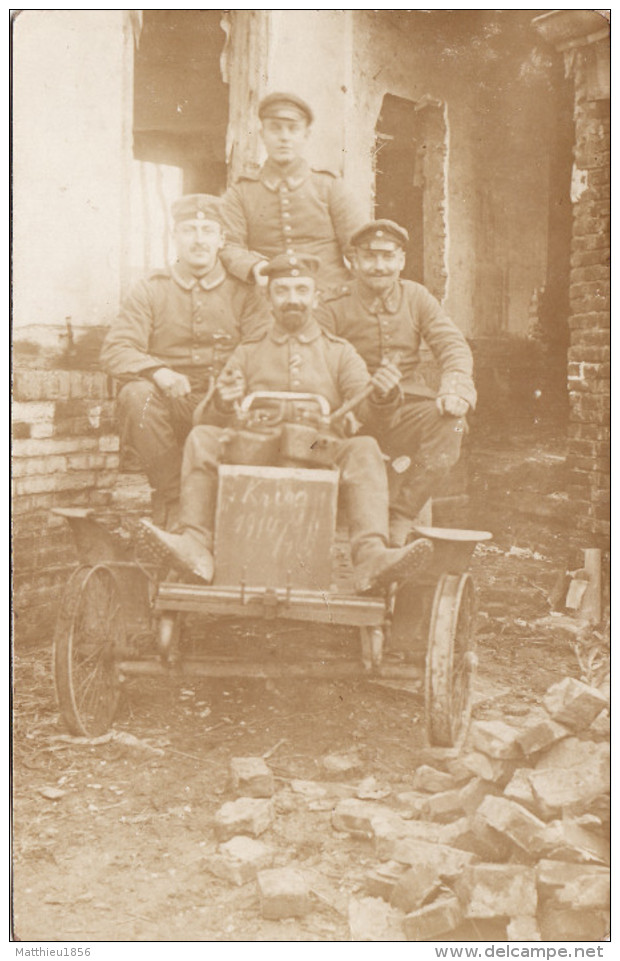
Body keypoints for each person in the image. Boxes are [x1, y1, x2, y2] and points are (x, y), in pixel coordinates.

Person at [140, 253, 433, 593]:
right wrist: (223, 399)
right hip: (257, 445)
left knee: (364, 447)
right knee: (203, 437)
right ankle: (194, 545)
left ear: (315, 297)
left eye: (301, 290)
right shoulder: (248, 351)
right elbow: (204, 418)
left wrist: (382, 395)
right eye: (282, 291)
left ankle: (370, 557)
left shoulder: (340, 353)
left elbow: (368, 417)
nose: (292, 299)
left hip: (316, 446)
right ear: (269, 298)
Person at [100, 194, 270, 528]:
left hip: (226, 403)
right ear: (175, 237)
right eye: (189, 230)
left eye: (208, 230)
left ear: (222, 239)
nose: (199, 239)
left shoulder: (246, 292)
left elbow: (259, 349)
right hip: (170, 401)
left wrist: (231, 385)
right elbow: (116, 349)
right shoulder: (151, 289)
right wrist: (157, 370)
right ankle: (174, 499)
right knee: (136, 396)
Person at [316, 219, 477, 547]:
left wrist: (455, 386)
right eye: (370, 257)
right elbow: (316, 360)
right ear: (354, 260)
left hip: (404, 409)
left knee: (452, 426)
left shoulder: (416, 297)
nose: (379, 266)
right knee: (308, 439)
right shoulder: (332, 305)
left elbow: (451, 344)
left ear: (401, 260)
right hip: (350, 412)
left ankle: (400, 515)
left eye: (388, 257)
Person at [218, 92, 365, 293]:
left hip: (329, 298)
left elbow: (359, 246)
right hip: (269, 298)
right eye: (275, 129)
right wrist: (254, 266)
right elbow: (229, 246)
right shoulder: (241, 192)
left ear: (306, 135)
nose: (284, 138)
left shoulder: (330, 186)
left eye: (293, 129)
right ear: (262, 135)